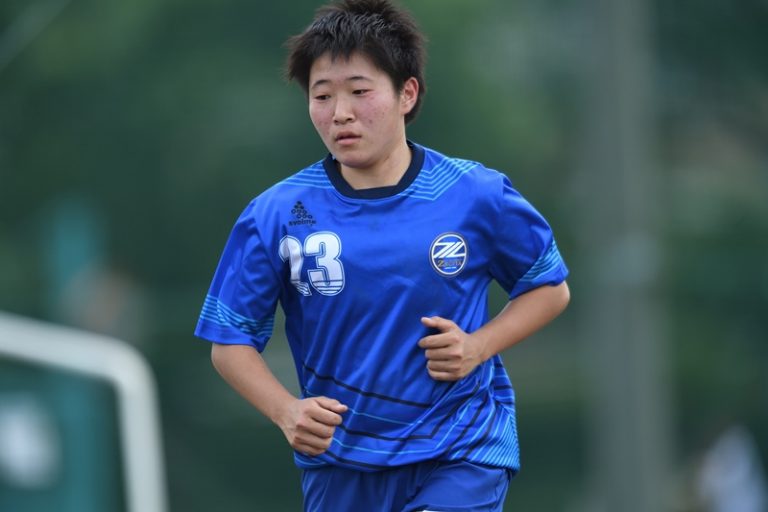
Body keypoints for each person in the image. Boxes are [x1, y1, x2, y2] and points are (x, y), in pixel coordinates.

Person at [194, 0, 570, 510]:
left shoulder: (475, 194)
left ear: (406, 94)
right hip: (342, 461)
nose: (340, 113)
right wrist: (286, 411)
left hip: (461, 448)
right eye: (322, 95)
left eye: (359, 91)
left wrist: (478, 346)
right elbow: (230, 342)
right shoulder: (275, 214)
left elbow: (549, 288)